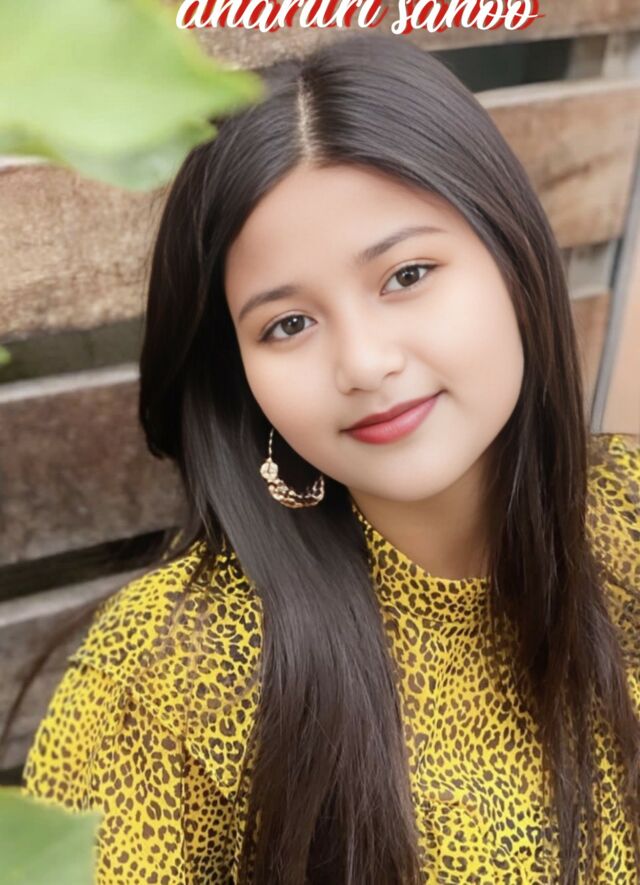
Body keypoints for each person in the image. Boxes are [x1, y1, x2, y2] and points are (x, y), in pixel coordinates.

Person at [19, 32, 640, 884]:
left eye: (407, 275)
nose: (364, 363)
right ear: (242, 376)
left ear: (514, 262)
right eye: (288, 324)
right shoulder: (168, 673)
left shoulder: (625, 513)